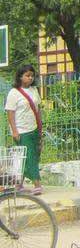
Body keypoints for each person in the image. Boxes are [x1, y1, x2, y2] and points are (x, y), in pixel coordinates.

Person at [5, 64, 42, 194]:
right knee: (29, 156)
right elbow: (10, 113)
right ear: (20, 76)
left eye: (32, 75)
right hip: (21, 130)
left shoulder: (34, 90)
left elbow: (38, 109)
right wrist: (14, 131)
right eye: (27, 75)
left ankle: (18, 184)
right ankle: (37, 183)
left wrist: (40, 127)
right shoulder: (14, 93)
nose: (30, 78)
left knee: (31, 156)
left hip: (34, 128)